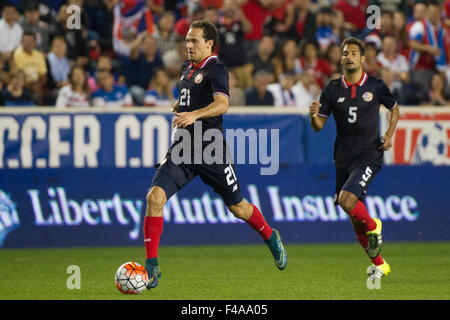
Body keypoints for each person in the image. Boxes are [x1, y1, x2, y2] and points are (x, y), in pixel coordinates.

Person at [143, 20, 287, 290]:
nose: (188, 45)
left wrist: (194, 114)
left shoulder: (217, 69)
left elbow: (223, 104)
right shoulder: (187, 68)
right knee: (155, 197)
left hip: (211, 150)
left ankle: (270, 236)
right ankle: (152, 267)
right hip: (183, 147)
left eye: (194, 40)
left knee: (238, 208)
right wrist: (181, 104)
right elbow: (191, 97)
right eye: (187, 40)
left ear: (209, 43)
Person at [309, 37, 399, 281]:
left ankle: (374, 225)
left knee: (348, 201)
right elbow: (319, 126)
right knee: (352, 216)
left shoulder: (376, 86)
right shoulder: (332, 88)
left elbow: (394, 107)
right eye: (345, 53)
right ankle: (380, 264)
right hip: (343, 157)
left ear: (362, 58)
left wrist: (389, 134)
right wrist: (313, 116)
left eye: (353, 53)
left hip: (369, 154)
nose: (348, 56)